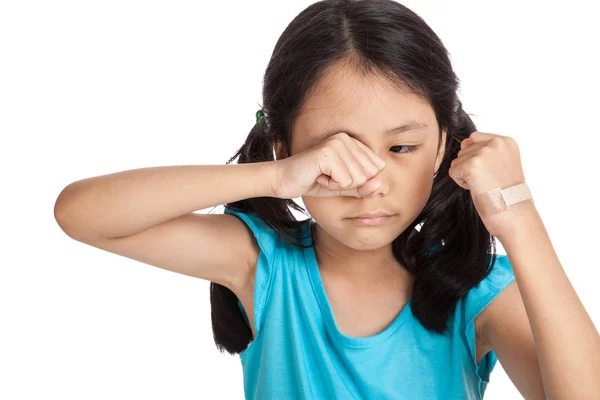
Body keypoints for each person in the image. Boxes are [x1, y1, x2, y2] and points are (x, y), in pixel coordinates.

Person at [55, 1, 579, 399]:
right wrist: (276, 177)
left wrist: (519, 214)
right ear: (285, 147)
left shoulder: (480, 291)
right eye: (338, 151)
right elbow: (80, 214)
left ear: (442, 144)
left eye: (401, 147)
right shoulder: (264, 264)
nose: (370, 181)